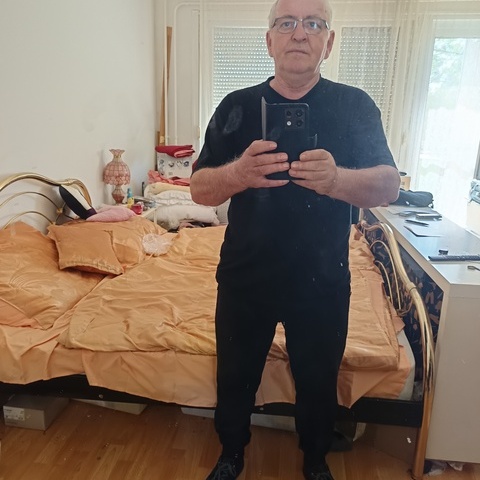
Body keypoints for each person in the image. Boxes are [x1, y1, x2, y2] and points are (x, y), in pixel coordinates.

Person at [190, 0, 400, 478]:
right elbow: (199, 189)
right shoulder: (236, 106)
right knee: (235, 376)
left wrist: (336, 180)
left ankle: (316, 459)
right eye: (286, 23)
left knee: (318, 380)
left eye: (313, 23)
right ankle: (231, 453)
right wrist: (239, 173)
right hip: (246, 276)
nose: (299, 33)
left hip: (322, 278)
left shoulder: (355, 106)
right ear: (270, 41)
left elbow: (389, 186)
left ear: (329, 41)